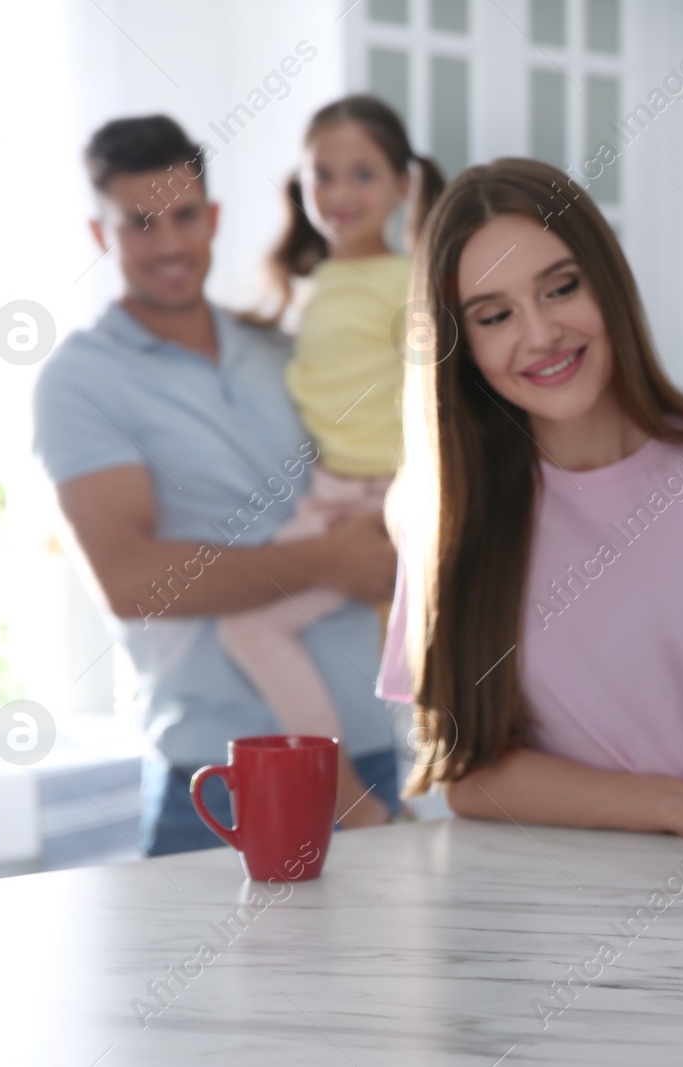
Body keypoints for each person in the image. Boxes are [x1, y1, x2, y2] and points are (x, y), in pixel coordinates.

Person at [378, 158, 683, 850]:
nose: (541, 334)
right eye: (495, 315)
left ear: (606, 282)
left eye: (560, 288)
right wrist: (670, 801)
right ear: (462, 348)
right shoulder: (445, 514)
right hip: (557, 913)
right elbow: (470, 775)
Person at [32, 116, 400, 855]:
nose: (168, 243)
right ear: (100, 233)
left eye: (184, 216)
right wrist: (335, 563)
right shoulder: (81, 380)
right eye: (139, 223)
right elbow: (133, 580)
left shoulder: (284, 350)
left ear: (215, 218)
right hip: (220, 781)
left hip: (370, 757)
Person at [217, 97, 442, 827]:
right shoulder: (311, 285)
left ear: (403, 186)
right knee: (249, 626)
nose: (340, 194)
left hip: (387, 498)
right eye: (324, 174)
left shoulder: (410, 281)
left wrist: (408, 506)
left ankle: (360, 800)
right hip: (333, 496)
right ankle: (356, 796)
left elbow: (433, 397)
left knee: (433, 663)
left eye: (363, 174)